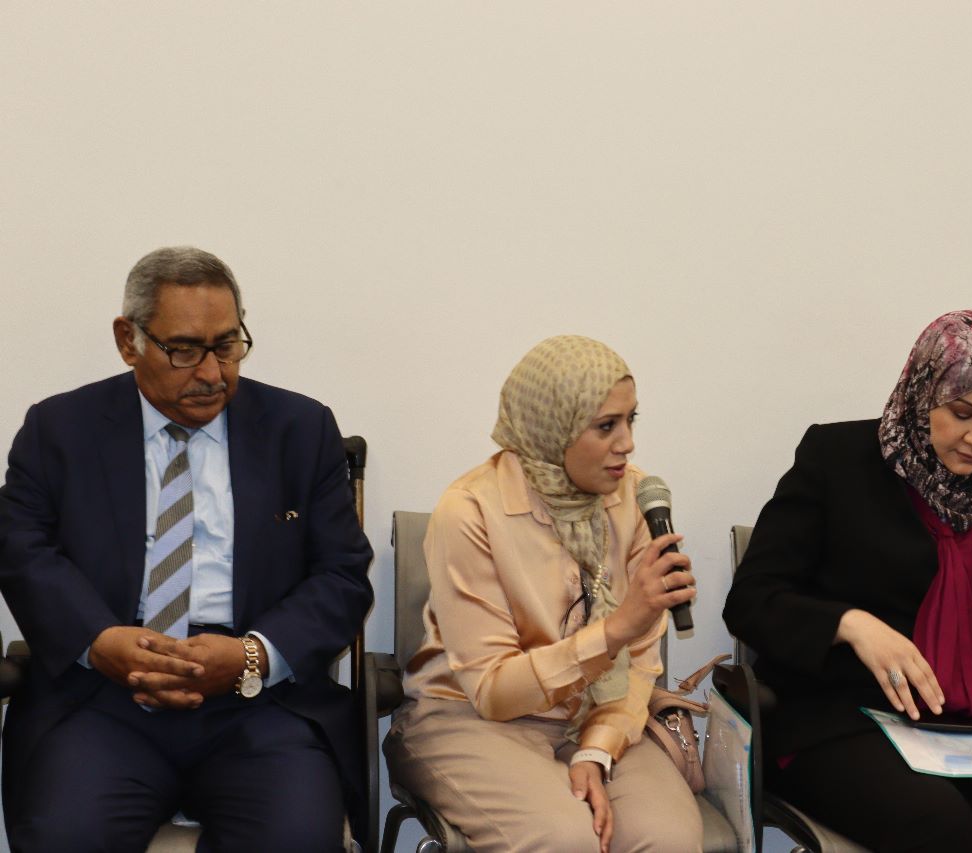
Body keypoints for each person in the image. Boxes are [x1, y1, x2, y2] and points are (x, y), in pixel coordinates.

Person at [0, 247, 374, 851]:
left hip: (257, 701)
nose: (211, 373)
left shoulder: (300, 430)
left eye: (226, 346)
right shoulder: (60, 429)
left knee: (297, 840)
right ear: (128, 341)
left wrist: (253, 655)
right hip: (105, 699)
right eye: (183, 349)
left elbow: (343, 574)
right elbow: (22, 552)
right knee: (64, 836)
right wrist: (98, 642)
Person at [723, 310, 972, 853]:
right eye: (962, 413)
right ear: (924, 392)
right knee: (935, 825)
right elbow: (752, 599)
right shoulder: (837, 460)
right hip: (841, 717)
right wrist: (851, 625)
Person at [384, 334, 702, 853]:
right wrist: (618, 627)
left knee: (667, 838)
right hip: (470, 720)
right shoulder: (470, 509)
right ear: (554, 427)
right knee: (565, 839)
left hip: (600, 710)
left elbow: (641, 665)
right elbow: (493, 691)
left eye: (631, 420)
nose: (627, 443)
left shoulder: (634, 497)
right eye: (606, 426)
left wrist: (596, 750)